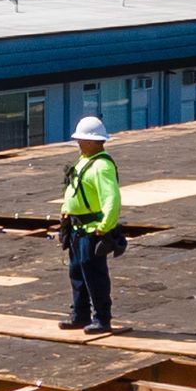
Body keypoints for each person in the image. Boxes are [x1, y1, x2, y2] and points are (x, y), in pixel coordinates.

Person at [59, 115, 123, 334]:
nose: (78, 143)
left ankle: (102, 319)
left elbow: (111, 199)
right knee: (77, 272)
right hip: (77, 229)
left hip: (92, 230)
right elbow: (73, 189)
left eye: (82, 139)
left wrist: (105, 227)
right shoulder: (84, 160)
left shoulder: (102, 166)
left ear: (96, 141)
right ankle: (80, 315)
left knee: (94, 275)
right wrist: (66, 212)